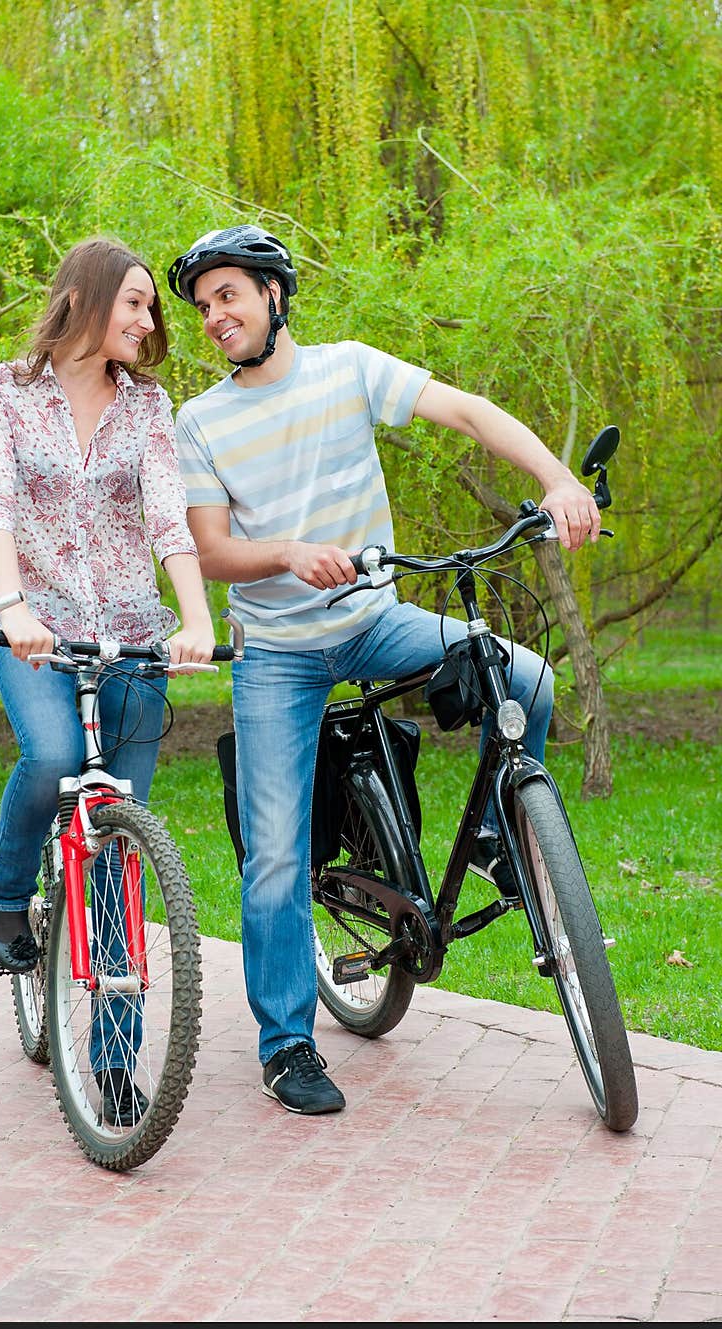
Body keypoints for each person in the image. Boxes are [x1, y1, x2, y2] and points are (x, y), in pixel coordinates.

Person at [166, 224, 602, 1117]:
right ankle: (286, 1044)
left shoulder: (349, 370)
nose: (216, 316)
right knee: (278, 857)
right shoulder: (200, 421)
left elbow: (471, 412)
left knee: (527, 682)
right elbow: (208, 551)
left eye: (229, 296)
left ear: (274, 295)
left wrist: (560, 479)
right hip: (279, 655)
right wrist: (288, 553)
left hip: (375, 619)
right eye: (204, 306)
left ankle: (496, 841)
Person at [0, 235, 216, 1126]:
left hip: (130, 640)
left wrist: (194, 620)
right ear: (85, 298)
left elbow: (166, 518)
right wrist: (12, 604)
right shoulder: (0, 392)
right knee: (51, 758)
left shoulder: (148, 407)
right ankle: (6, 903)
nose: (151, 324)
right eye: (138, 304)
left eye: (153, 309)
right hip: (35, 630)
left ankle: (114, 1062)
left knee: (114, 851)